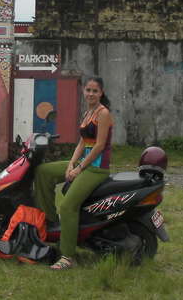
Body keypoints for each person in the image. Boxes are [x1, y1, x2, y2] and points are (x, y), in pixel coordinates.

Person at [34, 77, 114, 270]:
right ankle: (51, 222)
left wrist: (79, 168)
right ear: (84, 92)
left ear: (101, 93)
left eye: (95, 91)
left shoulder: (103, 113)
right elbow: (81, 143)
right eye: (88, 90)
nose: (91, 94)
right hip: (82, 163)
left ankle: (68, 256)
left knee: (68, 206)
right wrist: (71, 164)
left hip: (96, 168)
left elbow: (99, 146)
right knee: (43, 171)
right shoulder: (88, 113)